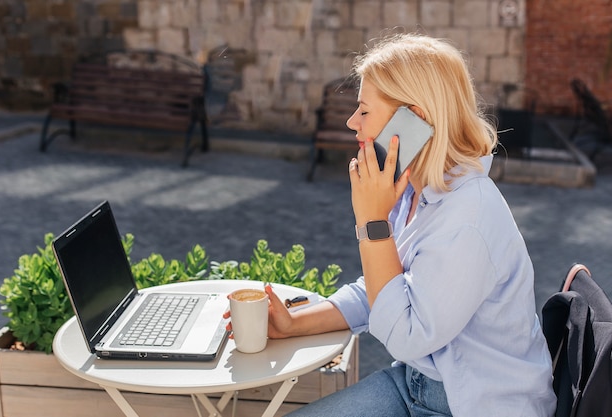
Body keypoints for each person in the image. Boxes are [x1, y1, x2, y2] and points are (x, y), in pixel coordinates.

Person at [228, 32, 557, 416]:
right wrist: (293, 324)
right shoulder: (415, 191)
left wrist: (372, 223)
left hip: (472, 405)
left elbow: (407, 335)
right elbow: (383, 291)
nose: (353, 123)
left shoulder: (468, 217)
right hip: (415, 386)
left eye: (364, 111)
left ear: (413, 120)